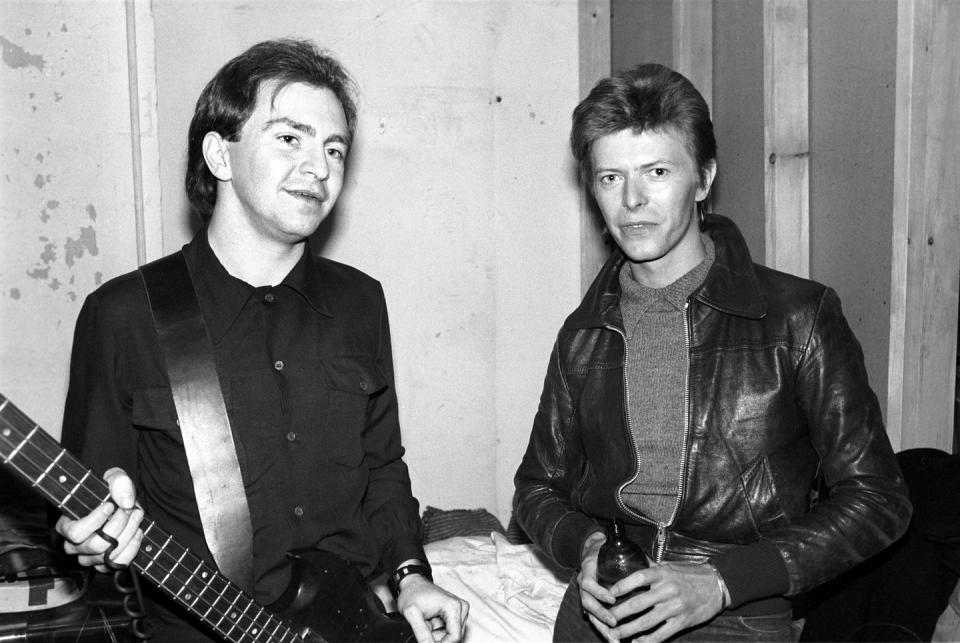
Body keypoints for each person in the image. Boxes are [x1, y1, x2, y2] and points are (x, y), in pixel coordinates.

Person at [54, 38, 468, 643]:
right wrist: (89, 540)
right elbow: (88, 506)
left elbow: (382, 466)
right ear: (220, 155)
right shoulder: (122, 315)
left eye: (335, 149)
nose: (320, 167)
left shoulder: (360, 302)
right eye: (290, 139)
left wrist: (410, 575)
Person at [513, 63, 912, 642]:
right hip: (599, 608)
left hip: (736, 609)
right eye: (609, 178)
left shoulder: (799, 317)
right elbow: (536, 488)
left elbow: (879, 499)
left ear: (703, 179)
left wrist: (719, 581)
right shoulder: (583, 332)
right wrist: (589, 545)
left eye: (656, 171)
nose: (632, 201)